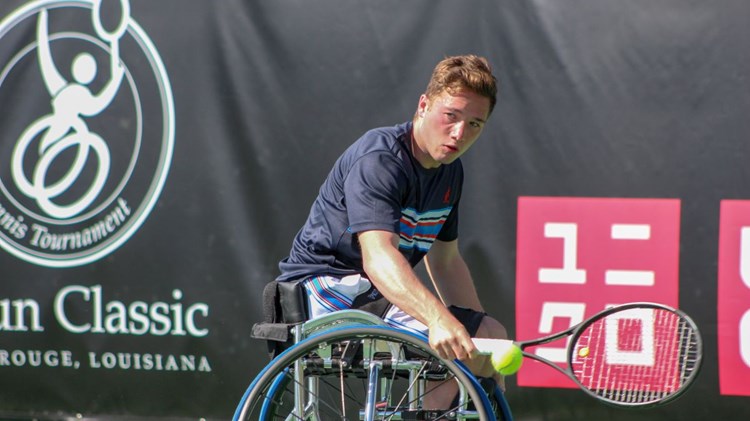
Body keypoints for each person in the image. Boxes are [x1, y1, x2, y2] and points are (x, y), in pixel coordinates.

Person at [276, 54, 508, 405]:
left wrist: (482, 342)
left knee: (489, 336)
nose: (460, 133)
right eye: (451, 116)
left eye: (475, 124)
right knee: (464, 343)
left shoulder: (450, 172)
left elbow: (445, 261)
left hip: (373, 296)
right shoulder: (381, 159)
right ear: (424, 105)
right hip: (326, 293)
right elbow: (379, 258)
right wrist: (441, 321)